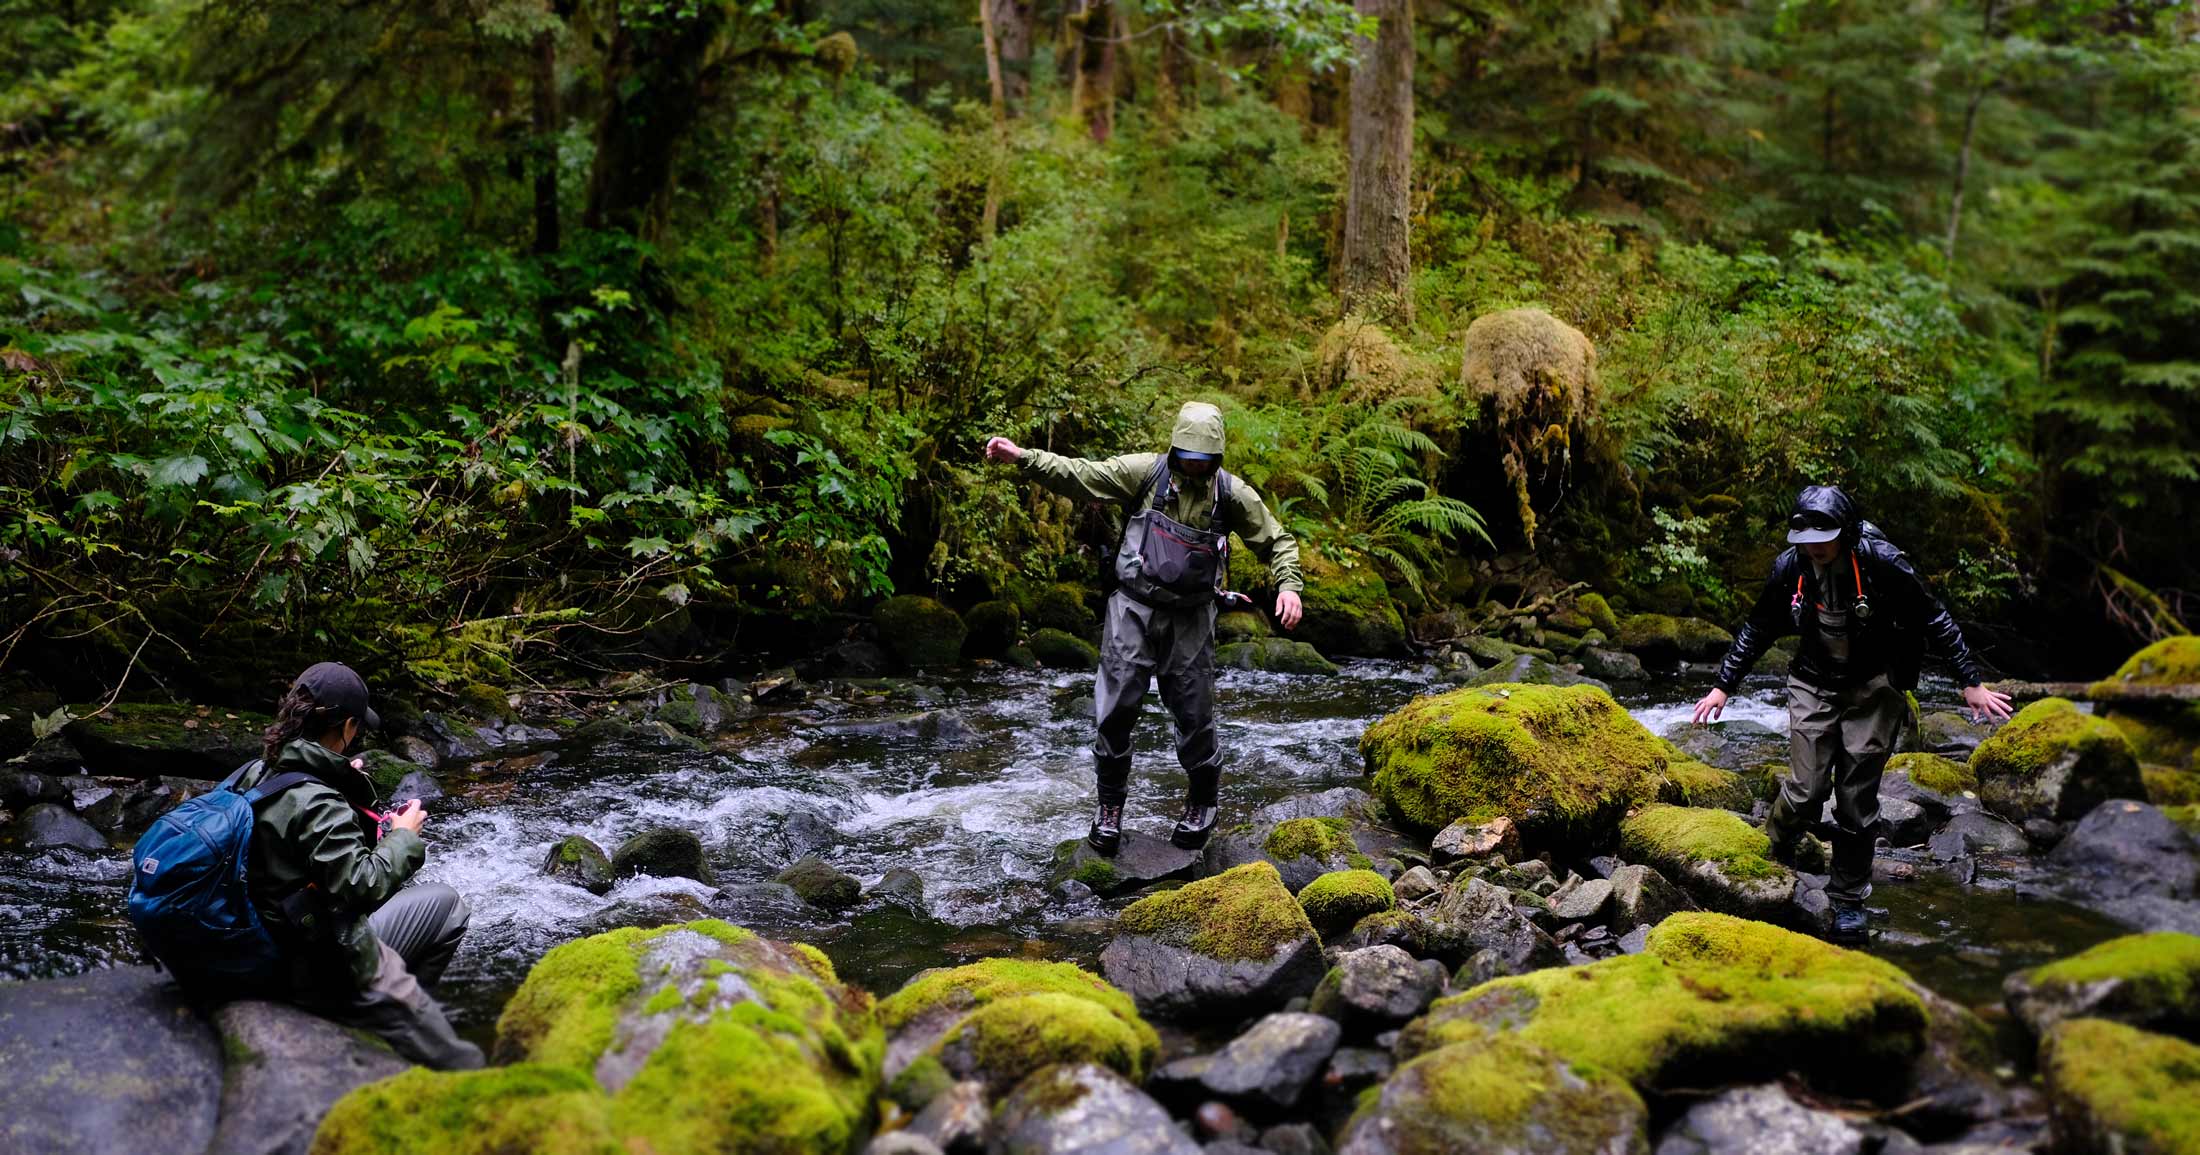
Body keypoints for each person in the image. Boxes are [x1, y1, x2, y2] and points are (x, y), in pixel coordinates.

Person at [1692, 486, 2013, 941]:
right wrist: (1724, 685)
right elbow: (1760, 625)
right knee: (1806, 789)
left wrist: (1970, 682)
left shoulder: (1883, 562)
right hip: (1812, 681)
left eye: (1824, 537)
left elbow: (1932, 617)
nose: (1815, 547)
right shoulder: (1790, 566)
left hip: (1875, 688)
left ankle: (1847, 898)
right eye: (1807, 539)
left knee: (1856, 800)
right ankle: (1777, 843)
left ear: (1846, 533)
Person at [985, 402, 1304, 854]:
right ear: (1174, 450)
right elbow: (1081, 474)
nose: (1193, 467)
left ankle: (1202, 800)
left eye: (1203, 460)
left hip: (1192, 619)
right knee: (1114, 710)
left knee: (1194, 716)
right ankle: (1110, 807)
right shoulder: (1144, 473)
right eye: (1187, 457)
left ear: (1216, 458)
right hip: (1132, 609)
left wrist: (1289, 587)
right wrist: (1024, 458)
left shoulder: (1232, 495)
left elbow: (1277, 541)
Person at [236, 661, 484, 1069]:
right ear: (348, 726)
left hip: (253, 948)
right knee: (448, 905)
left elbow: (289, 844)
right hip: (311, 967)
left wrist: (334, 784)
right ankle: (394, 1031)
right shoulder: (317, 800)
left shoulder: (256, 772)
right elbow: (361, 885)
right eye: (356, 730)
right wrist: (404, 835)